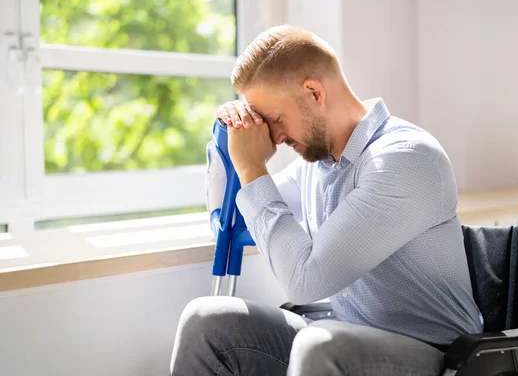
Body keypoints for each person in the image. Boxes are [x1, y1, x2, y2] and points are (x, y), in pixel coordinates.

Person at [170, 25, 483, 376]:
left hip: (437, 357)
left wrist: (251, 166)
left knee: (319, 343)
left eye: (272, 119)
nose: (272, 135)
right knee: (207, 321)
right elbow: (237, 218)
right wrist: (226, 140)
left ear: (314, 93)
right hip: (344, 338)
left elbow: (306, 282)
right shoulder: (320, 166)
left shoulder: (404, 159)